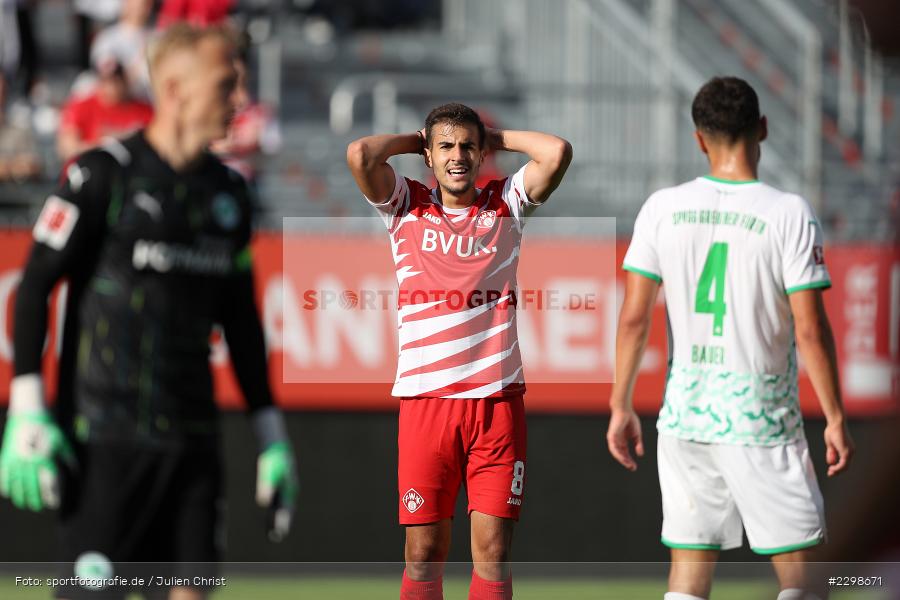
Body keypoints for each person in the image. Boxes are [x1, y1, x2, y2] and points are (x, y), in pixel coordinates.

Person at [0, 23, 298, 600]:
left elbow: (240, 321)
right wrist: (27, 410)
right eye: (226, 84)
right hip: (103, 443)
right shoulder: (100, 174)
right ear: (175, 87)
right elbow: (35, 286)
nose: (240, 100)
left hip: (192, 446)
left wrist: (271, 436)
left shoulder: (230, 198)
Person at [606, 76, 854, 600]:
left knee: (689, 583)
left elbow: (633, 318)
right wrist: (834, 416)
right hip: (761, 419)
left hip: (686, 418)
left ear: (699, 139)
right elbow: (810, 327)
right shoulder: (788, 213)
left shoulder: (661, 207)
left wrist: (620, 404)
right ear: (762, 127)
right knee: (808, 582)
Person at [346, 103, 572, 600]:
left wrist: (493, 136)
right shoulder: (407, 206)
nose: (458, 156)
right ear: (429, 155)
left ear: (482, 152)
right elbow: (361, 154)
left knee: (492, 552)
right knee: (424, 553)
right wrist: (420, 140)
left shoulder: (506, 203)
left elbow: (555, 152)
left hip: (496, 405)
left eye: (468, 146)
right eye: (446, 147)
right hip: (426, 406)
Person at [57, 58, 153, 162]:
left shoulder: (144, 110)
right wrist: (108, 146)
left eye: (116, 80)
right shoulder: (80, 106)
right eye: (106, 81)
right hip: (91, 168)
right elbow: (68, 150)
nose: (112, 87)